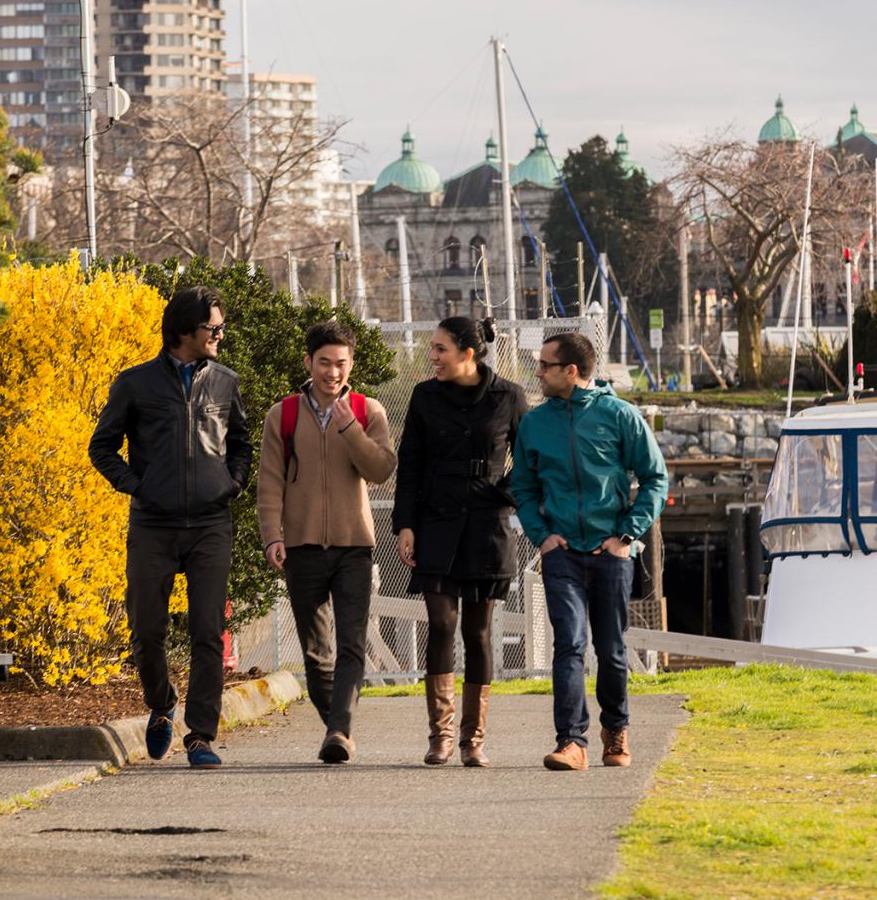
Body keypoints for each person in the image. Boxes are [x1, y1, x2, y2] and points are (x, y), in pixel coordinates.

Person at [89, 286, 252, 769]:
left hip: (210, 524)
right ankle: (162, 704)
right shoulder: (134, 384)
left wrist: (233, 483)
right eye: (213, 328)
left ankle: (200, 737)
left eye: (221, 327)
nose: (220, 335)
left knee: (207, 631)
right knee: (146, 630)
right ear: (184, 330)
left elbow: (240, 444)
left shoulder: (226, 382)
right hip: (153, 525)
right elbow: (102, 447)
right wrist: (137, 487)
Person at [511, 332, 668, 771]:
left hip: (611, 553)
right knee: (570, 644)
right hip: (560, 552)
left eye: (545, 365)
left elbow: (656, 478)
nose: (537, 372)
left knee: (612, 648)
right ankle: (571, 742)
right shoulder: (534, 424)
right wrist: (540, 535)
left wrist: (627, 535)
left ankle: (616, 731)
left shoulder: (619, 416)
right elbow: (522, 487)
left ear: (571, 371)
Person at [258, 321, 396, 763]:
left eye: (340, 363)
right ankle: (337, 726)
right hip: (300, 547)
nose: (332, 372)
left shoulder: (367, 409)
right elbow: (270, 482)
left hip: (354, 545)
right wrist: (272, 537)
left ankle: (339, 731)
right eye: (324, 363)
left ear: (350, 364)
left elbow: (380, 469)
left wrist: (350, 428)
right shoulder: (283, 415)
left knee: (352, 643)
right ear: (308, 363)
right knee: (316, 652)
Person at [392, 317, 528, 767]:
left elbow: (528, 460)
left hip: (487, 526)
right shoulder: (424, 396)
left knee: (479, 632)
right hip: (435, 522)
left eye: (440, 349)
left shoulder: (508, 396)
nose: (432, 356)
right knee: (441, 625)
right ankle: (441, 736)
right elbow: (409, 462)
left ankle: (474, 740)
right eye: (432, 348)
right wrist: (404, 525)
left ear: (469, 352)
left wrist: (502, 494)